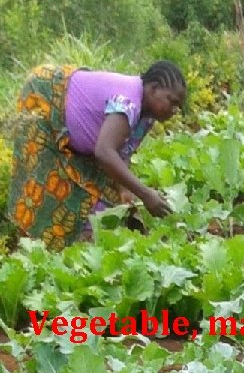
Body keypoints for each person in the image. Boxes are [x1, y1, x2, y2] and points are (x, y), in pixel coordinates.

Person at [6, 60, 186, 250]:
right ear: (154, 89)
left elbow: (122, 149)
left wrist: (125, 190)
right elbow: (105, 153)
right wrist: (146, 194)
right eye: (172, 101)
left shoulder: (147, 116)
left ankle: (76, 249)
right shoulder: (128, 103)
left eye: (178, 106)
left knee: (107, 196)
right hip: (44, 100)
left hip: (84, 137)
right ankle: (29, 247)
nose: (175, 110)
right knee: (46, 184)